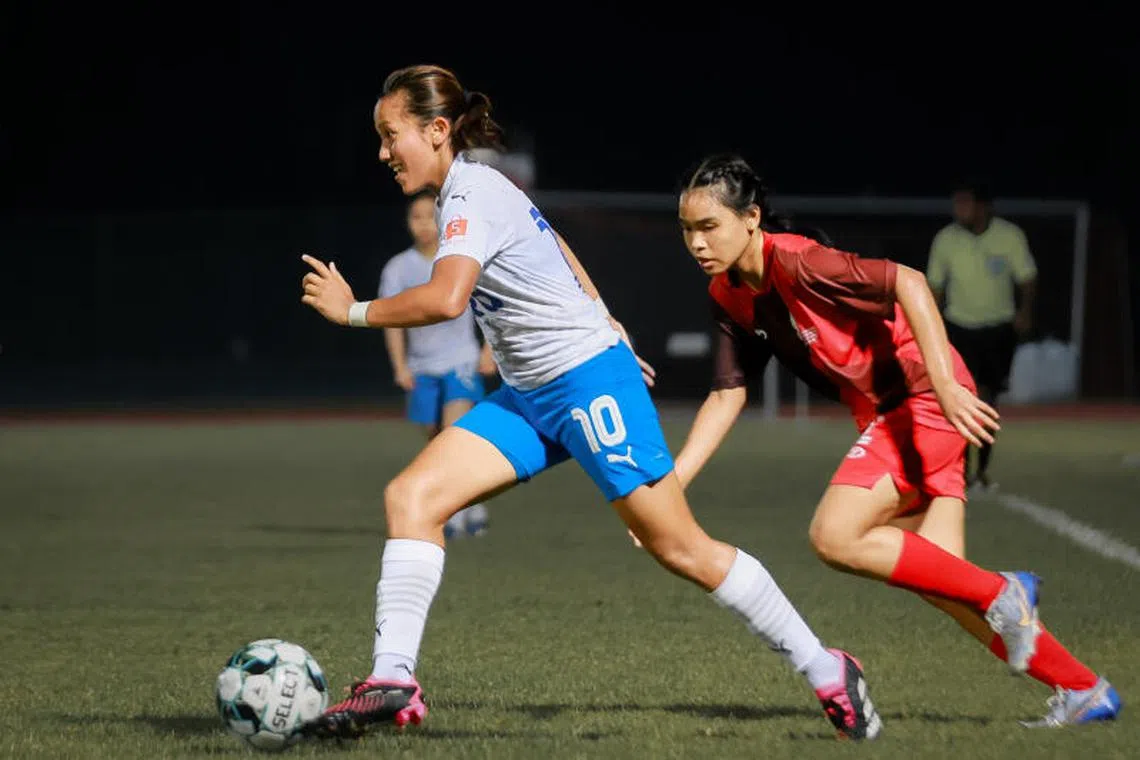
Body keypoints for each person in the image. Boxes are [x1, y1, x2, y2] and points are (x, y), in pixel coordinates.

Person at [299, 65, 881, 741]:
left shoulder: (470, 194)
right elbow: (555, 241)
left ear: (435, 130)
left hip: (586, 385)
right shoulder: (478, 188)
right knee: (412, 498)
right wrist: (606, 314)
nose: (382, 152)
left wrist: (354, 311)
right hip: (531, 395)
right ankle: (393, 681)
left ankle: (827, 668)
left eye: (389, 134)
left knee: (681, 548)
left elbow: (448, 298)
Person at [668, 153, 1120, 728]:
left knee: (834, 535)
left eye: (709, 226)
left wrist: (946, 386)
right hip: (896, 413)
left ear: (751, 217)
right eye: (687, 229)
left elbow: (909, 281)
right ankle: (1083, 689)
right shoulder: (729, 294)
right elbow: (727, 394)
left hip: (922, 399)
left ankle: (1007, 590)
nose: (697, 242)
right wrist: (669, 488)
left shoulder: (801, 260)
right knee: (948, 586)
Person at [380, 188, 497, 538]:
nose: (424, 224)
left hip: (460, 362)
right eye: (416, 218)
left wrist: (489, 350)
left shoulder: (459, 260)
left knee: (453, 435)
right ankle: (473, 502)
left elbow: (490, 307)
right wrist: (400, 366)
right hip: (422, 368)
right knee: (436, 442)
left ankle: (452, 513)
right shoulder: (398, 268)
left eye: (430, 217)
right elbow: (390, 320)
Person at [925, 182, 1037, 492]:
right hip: (959, 327)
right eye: (956, 203)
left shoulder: (1009, 236)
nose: (959, 209)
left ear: (983, 206)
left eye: (965, 203)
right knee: (958, 397)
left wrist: (1025, 312)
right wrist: (931, 324)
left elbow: (1027, 278)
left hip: (998, 329)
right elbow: (935, 286)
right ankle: (958, 470)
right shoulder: (946, 239)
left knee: (987, 400)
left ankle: (982, 470)